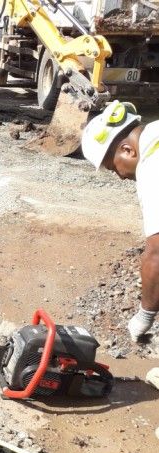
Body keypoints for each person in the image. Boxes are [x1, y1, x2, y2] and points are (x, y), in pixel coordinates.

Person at [82, 100, 159, 343]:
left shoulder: (152, 166)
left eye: (113, 168)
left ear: (127, 150)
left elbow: (157, 254)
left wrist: (145, 315)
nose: (121, 176)